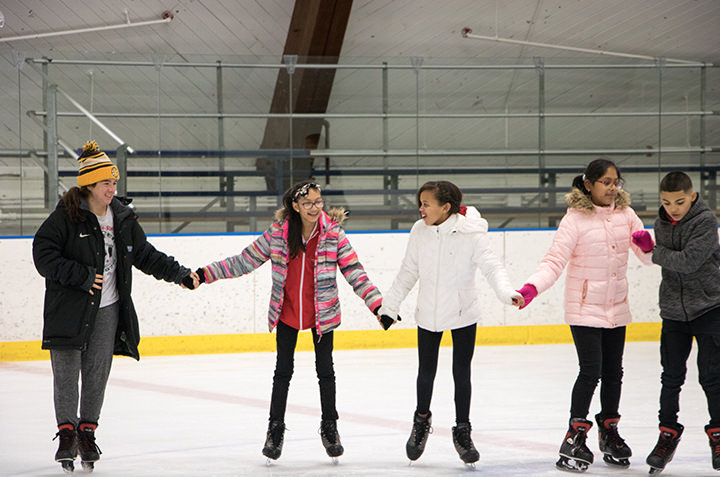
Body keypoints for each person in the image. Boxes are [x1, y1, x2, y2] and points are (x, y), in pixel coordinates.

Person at [32, 141, 199, 473]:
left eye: (114, 182)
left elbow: (146, 255)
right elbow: (43, 254)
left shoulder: (121, 217)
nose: (113, 188)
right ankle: (67, 435)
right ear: (90, 185)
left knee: (96, 374)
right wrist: (80, 276)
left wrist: (180, 274)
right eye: (107, 183)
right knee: (66, 375)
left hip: (108, 309)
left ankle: (87, 432)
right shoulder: (66, 217)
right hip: (69, 308)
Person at [194, 180, 384, 461]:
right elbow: (244, 261)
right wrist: (205, 273)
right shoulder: (278, 234)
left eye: (319, 202)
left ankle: (330, 427)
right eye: (307, 203)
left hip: (323, 313)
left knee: (325, 371)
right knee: (282, 372)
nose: (314, 208)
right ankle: (275, 429)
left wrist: (378, 305)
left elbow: (355, 272)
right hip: (287, 312)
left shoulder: (333, 234)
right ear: (294, 206)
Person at [516, 158, 653, 472]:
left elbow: (647, 258)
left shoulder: (627, 215)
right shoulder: (574, 220)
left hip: (616, 307)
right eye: (605, 182)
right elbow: (554, 261)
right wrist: (531, 289)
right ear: (588, 184)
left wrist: (647, 246)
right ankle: (575, 435)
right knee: (591, 371)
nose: (612, 187)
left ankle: (609, 431)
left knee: (614, 372)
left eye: (615, 181)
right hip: (584, 309)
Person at [377, 180, 523, 465]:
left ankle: (463, 430)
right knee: (426, 372)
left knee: (461, 373)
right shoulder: (419, 231)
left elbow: (492, 267)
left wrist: (507, 294)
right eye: (420, 203)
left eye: (426, 204)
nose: (421, 209)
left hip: (462, 313)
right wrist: (390, 307)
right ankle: (421, 422)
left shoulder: (471, 233)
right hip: (428, 313)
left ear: (445, 207)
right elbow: (408, 270)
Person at [634, 171, 720, 473]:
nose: (673, 208)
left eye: (680, 202)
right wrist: (655, 250)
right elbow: (673, 261)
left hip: (710, 309)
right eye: (667, 202)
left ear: (692, 196)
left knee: (711, 377)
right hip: (673, 312)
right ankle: (667, 433)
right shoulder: (660, 223)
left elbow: (688, 262)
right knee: (670, 378)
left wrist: (652, 252)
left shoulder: (706, 222)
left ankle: (718, 434)